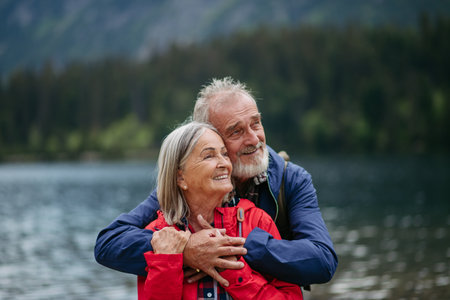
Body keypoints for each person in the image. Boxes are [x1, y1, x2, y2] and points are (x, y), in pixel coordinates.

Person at [95, 77, 338, 288]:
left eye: (256, 123)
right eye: (236, 131)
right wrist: (187, 250)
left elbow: (323, 260)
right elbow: (109, 243)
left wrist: (239, 246)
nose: (254, 139)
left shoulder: (291, 179)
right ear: (209, 137)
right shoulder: (187, 182)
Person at [138, 121, 302, 299]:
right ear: (180, 176)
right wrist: (167, 262)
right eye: (209, 156)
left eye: (224, 154)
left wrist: (233, 270)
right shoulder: (159, 236)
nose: (224, 163)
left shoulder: (257, 221)